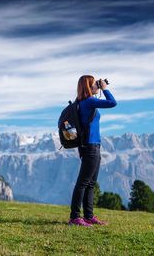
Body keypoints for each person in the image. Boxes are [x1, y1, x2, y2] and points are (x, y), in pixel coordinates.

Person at [68, 75, 117, 227]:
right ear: (88, 86)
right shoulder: (88, 102)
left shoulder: (82, 102)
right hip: (90, 146)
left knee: (90, 183)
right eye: (93, 83)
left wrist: (97, 88)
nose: (97, 84)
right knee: (83, 183)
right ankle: (75, 217)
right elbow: (112, 103)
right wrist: (105, 89)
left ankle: (88, 216)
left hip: (92, 146)